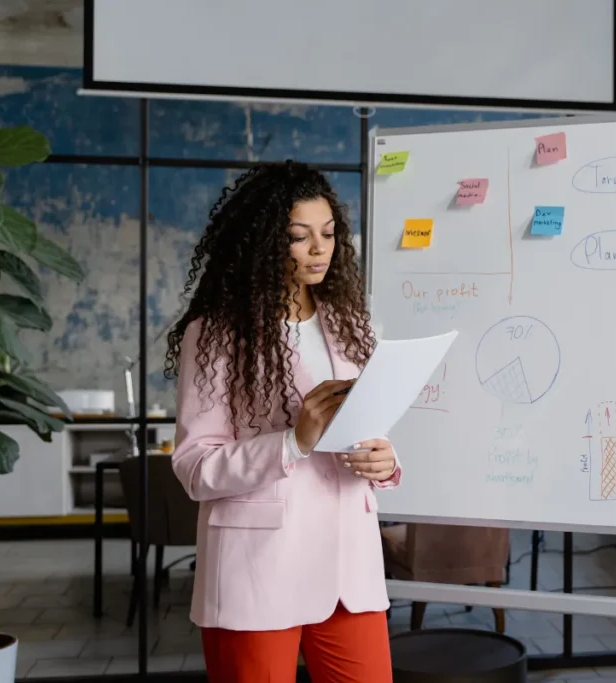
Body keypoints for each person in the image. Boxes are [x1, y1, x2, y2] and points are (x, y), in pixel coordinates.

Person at [164, 161, 399, 682]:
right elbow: (195, 467)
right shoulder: (218, 334)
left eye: (329, 233)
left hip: (348, 568)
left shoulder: (352, 324)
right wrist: (292, 442)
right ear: (265, 243)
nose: (320, 248)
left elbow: (366, 427)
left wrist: (383, 459)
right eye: (299, 236)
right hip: (259, 563)